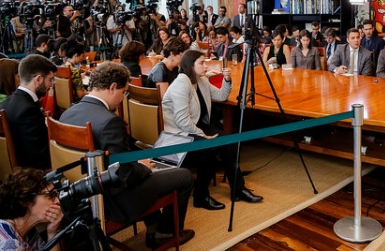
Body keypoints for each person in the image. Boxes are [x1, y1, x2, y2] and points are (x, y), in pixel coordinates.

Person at [60, 62, 195, 247]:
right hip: (115, 200)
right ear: (113, 87)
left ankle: (154, 226)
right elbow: (124, 174)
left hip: (83, 194)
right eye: (123, 92)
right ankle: (166, 233)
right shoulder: (109, 122)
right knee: (184, 176)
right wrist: (143, 166)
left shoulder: (67, 113)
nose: (123, 98)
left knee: (149, 170)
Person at [161, 50, 263, 209]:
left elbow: (222, 96)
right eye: (201, 62)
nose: (206, 65)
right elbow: (182, 121)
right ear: (190, 66)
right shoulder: (181, 84)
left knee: (229, 141)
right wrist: (203, 135)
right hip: (180, 134)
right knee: (208, 147)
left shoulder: (201, 81)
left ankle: (238, 189)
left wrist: (226, 79)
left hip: (197, 127)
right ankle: (201, 197)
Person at [3, 54, 57, 169]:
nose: (52, 84)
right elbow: (40, 156)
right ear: (38, 79)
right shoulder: (28, 110)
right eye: (50, 79)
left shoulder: (7, 103)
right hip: (33, 174)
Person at [0, 168, 63, 251]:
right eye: (51, 195)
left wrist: (52, 232)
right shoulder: (8, 244)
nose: (57, 201)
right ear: (26, 200)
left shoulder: (30, 234)